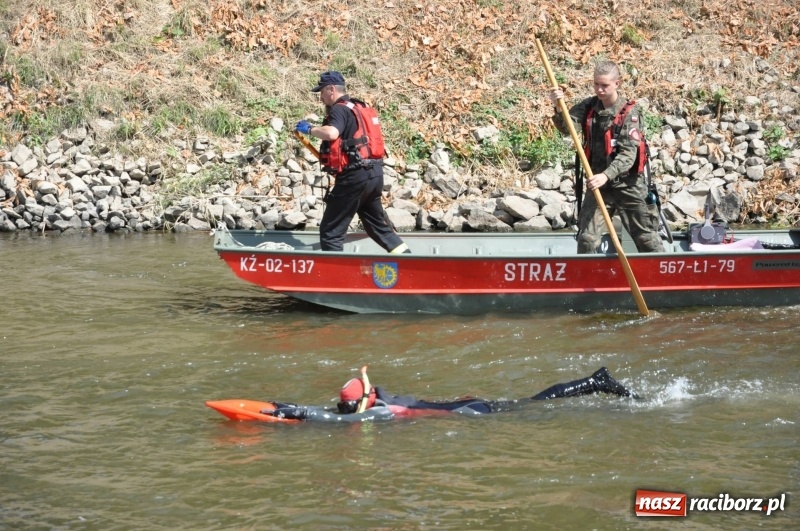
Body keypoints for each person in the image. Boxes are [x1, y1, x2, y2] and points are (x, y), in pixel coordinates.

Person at [549, 61, 664, 254]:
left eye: (605, 85)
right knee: (586, 239)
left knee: (646, 239)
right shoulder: (589, 106)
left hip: (629, 185)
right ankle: (588, 279)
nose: (599, 90)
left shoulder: (630, 114)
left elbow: (628, 154)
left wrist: (606, 175)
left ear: (617, 84)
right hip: (599, 186)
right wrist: (558, 107)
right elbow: (567, 129)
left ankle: (662, 278)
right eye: (596, 84)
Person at [262, 367, 640, 423]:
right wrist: (281, 404)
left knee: (535, 403)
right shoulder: (378, 398)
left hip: (469, 411)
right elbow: (336, 412)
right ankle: (593, 382)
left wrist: (290, 414)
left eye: (347, 403)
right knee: (531, 400)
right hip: (461, 404)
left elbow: (332, 419)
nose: (343, 407)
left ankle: (594, 382)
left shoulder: (380, 412)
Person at [295, 71, 409, 254]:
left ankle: (334, 278)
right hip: (374, 174)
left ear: (331, 89)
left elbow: (332, 133)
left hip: (354, 176)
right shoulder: (357, 106)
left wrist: (310, 129)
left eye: (322, 92)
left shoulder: (339, 109)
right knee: (378, 227)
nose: (321, 98)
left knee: (330, 231)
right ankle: (408, 263)